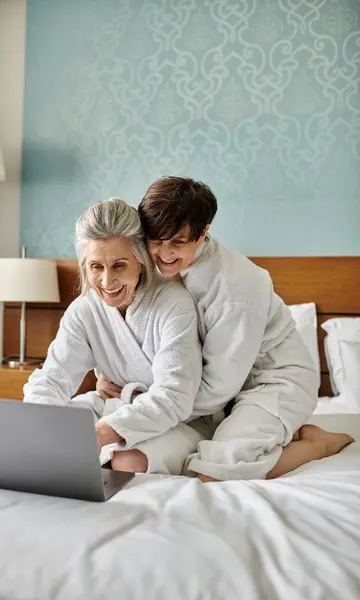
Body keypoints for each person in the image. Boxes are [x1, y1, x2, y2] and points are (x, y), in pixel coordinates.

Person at [97, 177, 353, 482]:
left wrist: (151, 401)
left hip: (272, 384)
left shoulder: (236, 288)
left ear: (203, 232)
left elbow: (219, 386)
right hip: (209, 394)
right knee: (137, 449)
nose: (164, 253)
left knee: (212, 471)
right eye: (156, 239)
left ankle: (317, 444)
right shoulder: (149, 268)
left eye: (178, 241)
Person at [23, 197, 210, 476]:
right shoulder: (84, 311)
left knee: (125, 462)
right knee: (39, 437)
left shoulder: (173, 304)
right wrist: (38, 422)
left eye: (119, 265)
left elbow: (174, 396)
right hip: (112, 408)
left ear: (140, 262)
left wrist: (100, 434)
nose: (107, 282)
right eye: (96, 267)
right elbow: (53, 377)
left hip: (178, 421)